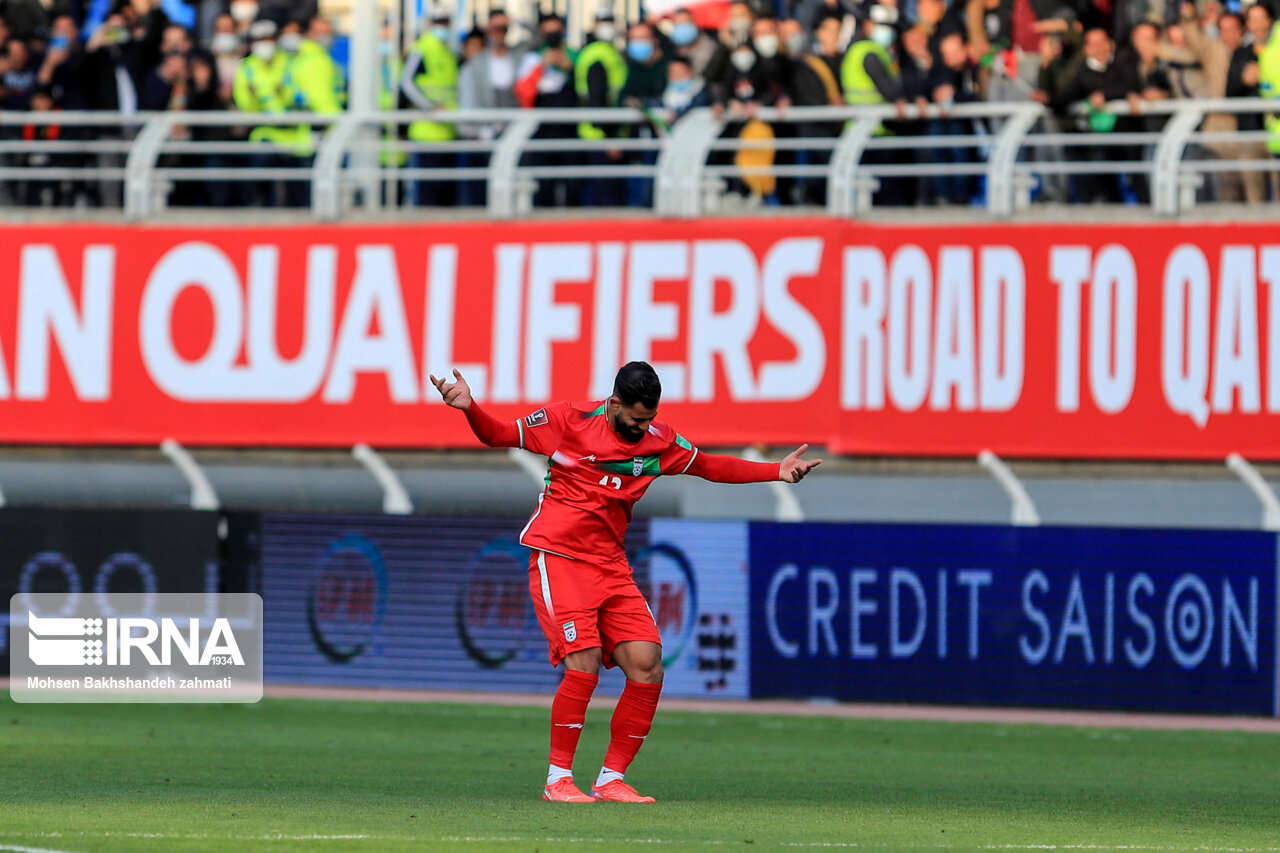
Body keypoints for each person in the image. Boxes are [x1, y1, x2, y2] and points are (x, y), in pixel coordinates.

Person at [429, 361, 822, 804]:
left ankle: (610, 778)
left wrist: (775, 471)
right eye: (635, 419)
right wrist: (469, 408)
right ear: (614, 403)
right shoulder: (566, 421)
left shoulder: (659, 441)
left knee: (647, 663)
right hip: (559, 556)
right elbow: (499, 434)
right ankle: (558, 779)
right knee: (585, 660)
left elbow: (709, 466)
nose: (642, 428)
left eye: (649, 419)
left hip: (611, 565)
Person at [400, 8, 458, 207]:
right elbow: (406, 83)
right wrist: (429, 107)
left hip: (448, 131)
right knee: (425, 194)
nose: (441, 27)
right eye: (437, 23)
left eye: (444, 22)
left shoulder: (448, 51)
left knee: (444, 193)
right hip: (425, 131)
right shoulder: (421, 49)